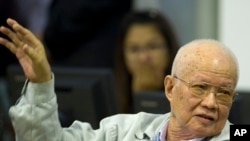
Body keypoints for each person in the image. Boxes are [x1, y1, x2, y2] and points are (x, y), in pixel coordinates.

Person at [0, 18, 238, 141]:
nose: (211, 102)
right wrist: (41, 83)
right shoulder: (122, 131)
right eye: (200, 88)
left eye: (224, 93)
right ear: (170, 87)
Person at [114, 10, 180, 113]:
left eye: (153, 47)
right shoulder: (112, 93)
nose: (143, 58)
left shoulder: (187, 91)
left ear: (169, 49)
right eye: (134, 49)